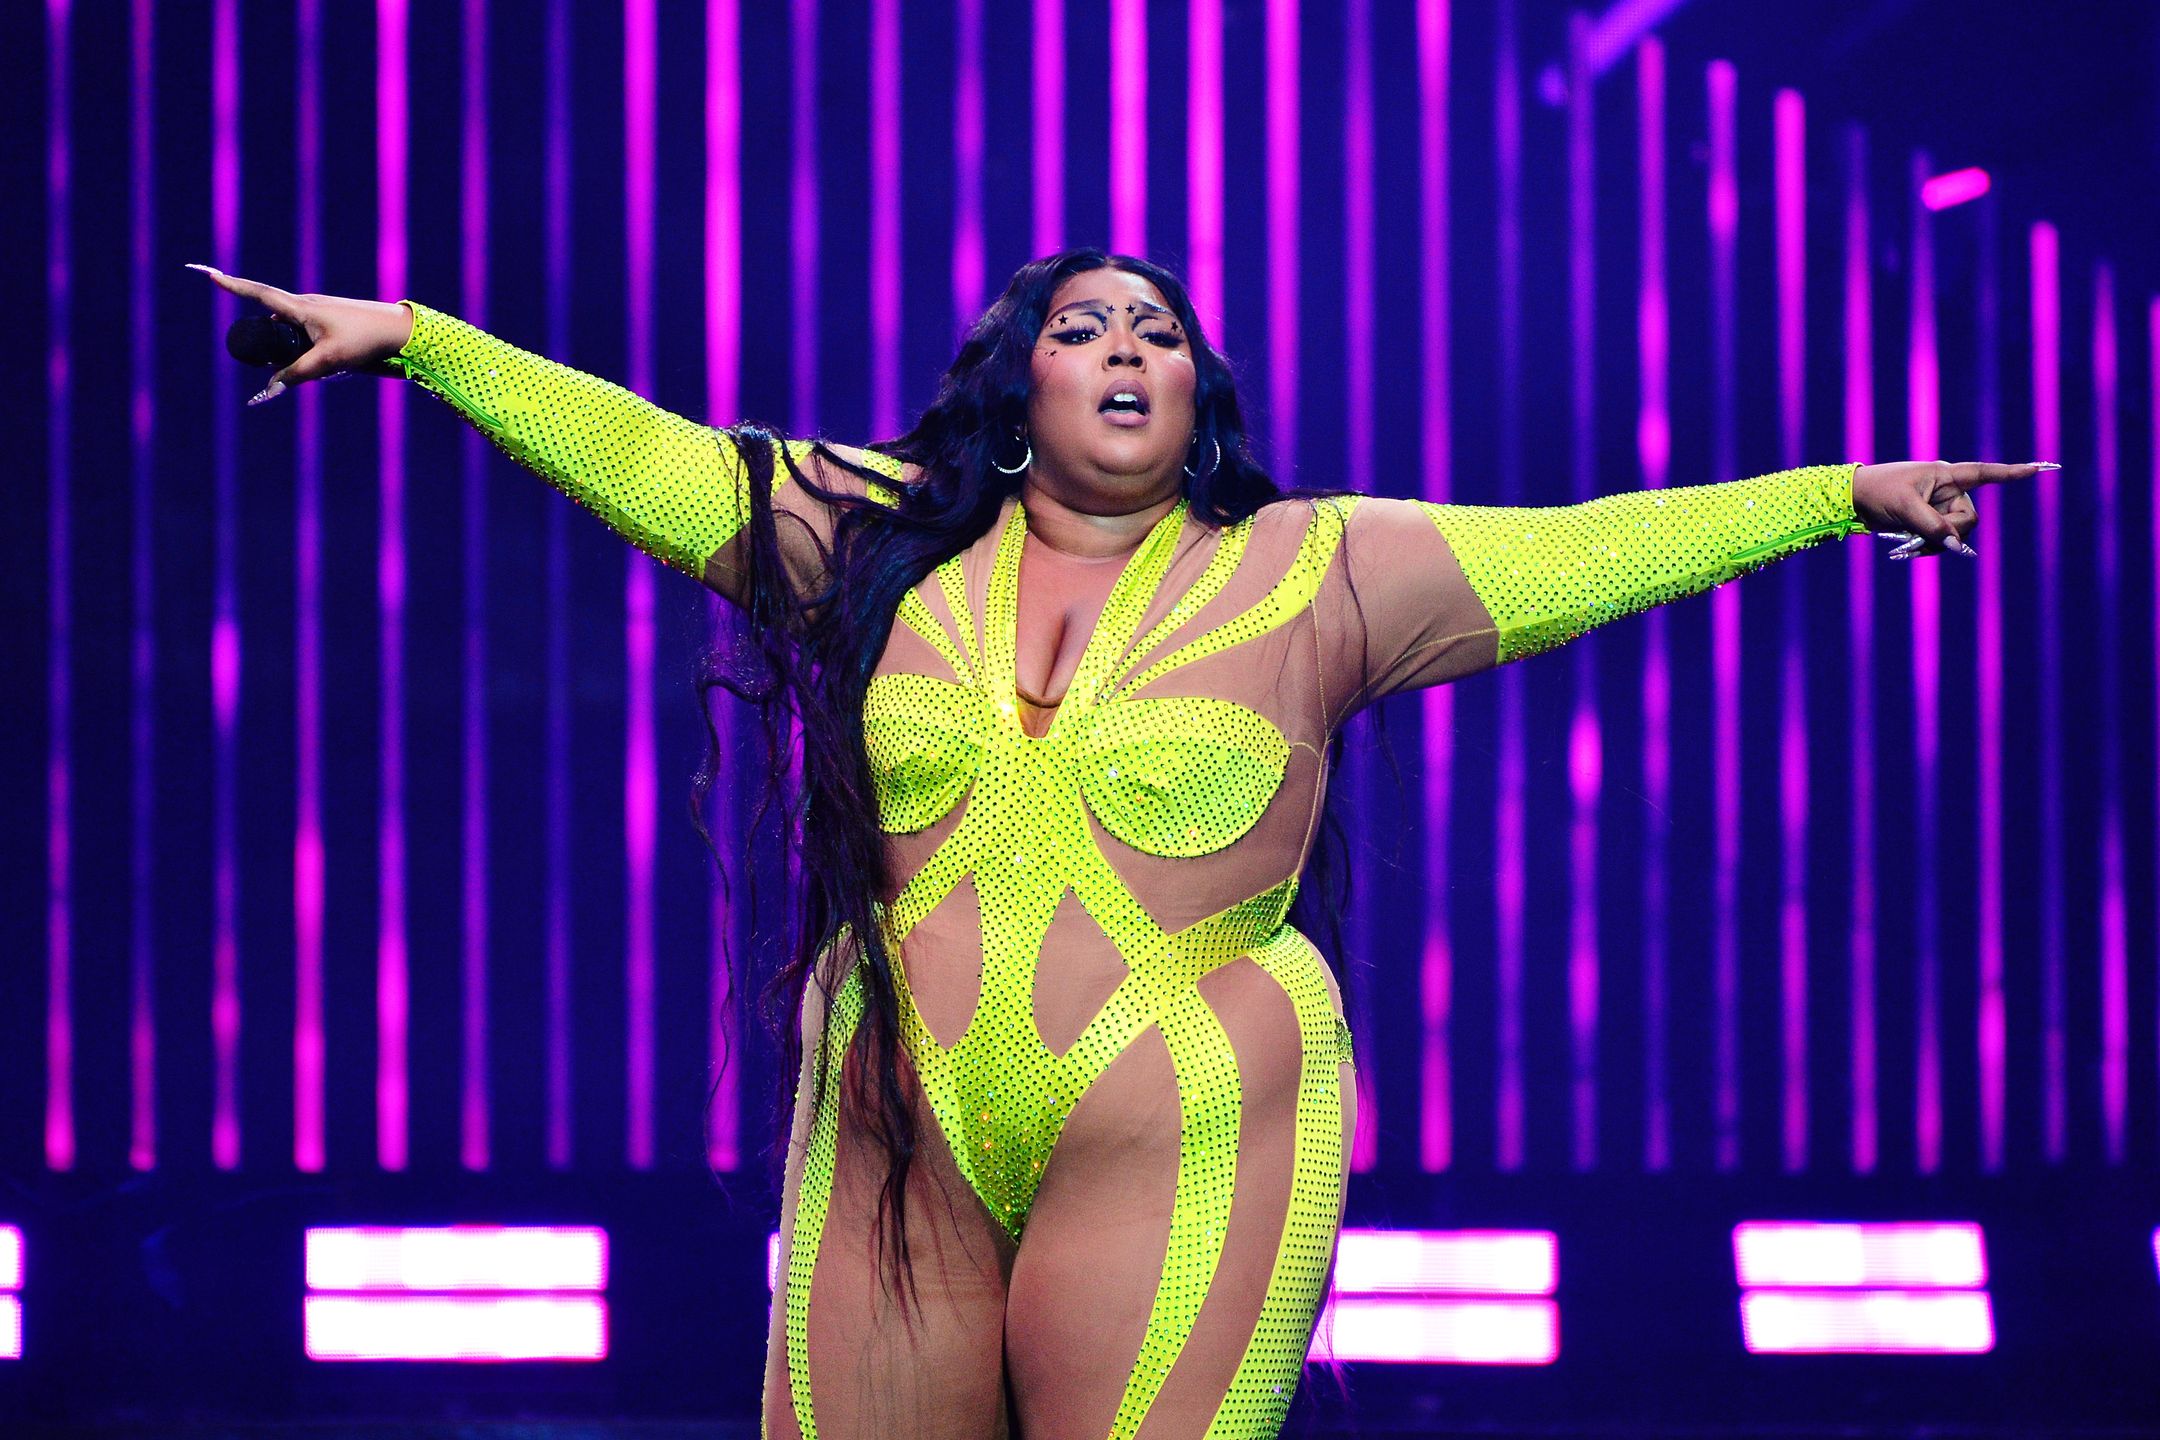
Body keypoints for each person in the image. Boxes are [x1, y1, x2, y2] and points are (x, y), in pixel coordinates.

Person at [191, 250, 2041, 1439]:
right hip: (896, 1102)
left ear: (1198, 390)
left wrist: (1834, 496)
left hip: (1177, 1092)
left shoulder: (1317, 564)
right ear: (1020, 393)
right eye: (1084, 329)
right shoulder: (882, 535)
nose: (1128, 347)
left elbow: (1586, 544)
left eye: (1160, 329)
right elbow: (663, 458)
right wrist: (417, 347)